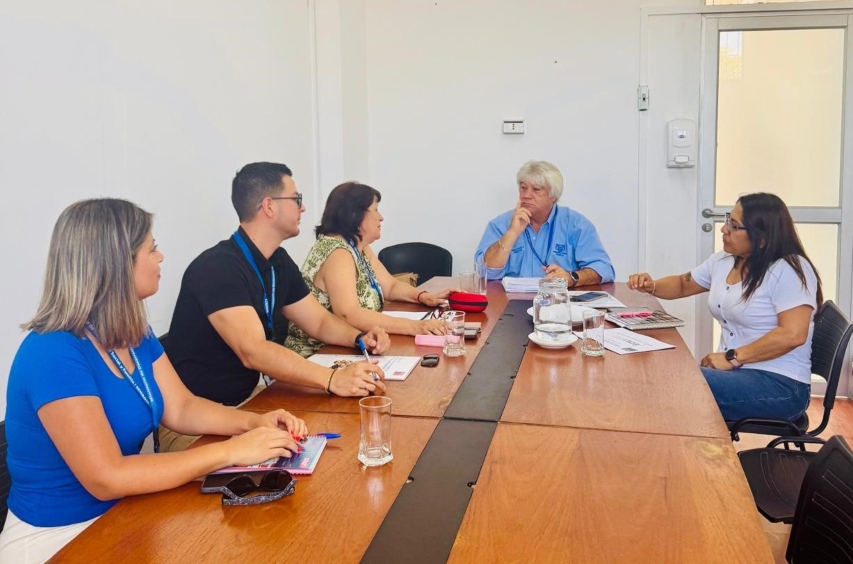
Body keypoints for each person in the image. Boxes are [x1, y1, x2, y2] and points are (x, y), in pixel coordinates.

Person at [0, 199, 307, 563]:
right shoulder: (52, 352)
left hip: (123, 514)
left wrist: (254, 422)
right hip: (59, 537)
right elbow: (107, 476)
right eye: (152, 249)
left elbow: (182, 407)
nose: (161, 258)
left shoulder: (133, 333)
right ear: (116, 263)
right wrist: (231, 451)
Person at [164, 163, 391, 450]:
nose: (304, 208)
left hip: (250, 404)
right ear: (268, 207)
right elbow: (253, 351)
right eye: (296, 199)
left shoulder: (277, 261)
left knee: (339, 442)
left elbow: (318, 321)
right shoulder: (218, 267)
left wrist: (358, 338)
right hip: (199, 421)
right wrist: (333, 379)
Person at [628, 193, 822, 423]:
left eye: (734, 225)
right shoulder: (725, 260)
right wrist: (652, 286)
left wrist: (732, 358)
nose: (724, 229)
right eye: (727, 219)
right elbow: (682, 284)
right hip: (738, 372)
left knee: (678, 385)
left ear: (761, 238)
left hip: (781, 385)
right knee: (669, 377)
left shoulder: (789, 269)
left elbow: (793, 334)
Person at [285, 182, 453, 357]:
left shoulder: (358, 246)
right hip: (322, 354)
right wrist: (414, 327)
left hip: (356, 345)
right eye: (375, 210)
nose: (381, 217)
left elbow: (391, 286)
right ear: (356, 215)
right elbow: (349, 314)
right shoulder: (338, 254)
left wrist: (422, 296)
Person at [475, 160, 615, 286]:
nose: (526, 195)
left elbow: (603, 269)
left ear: (553, 196)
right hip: (508, 303)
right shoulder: (500, 224)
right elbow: (484, 272)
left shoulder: (576, 225)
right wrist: (512, 233)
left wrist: (571, 277)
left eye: (536, 189)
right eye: (523, 188)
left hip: (559, 303)